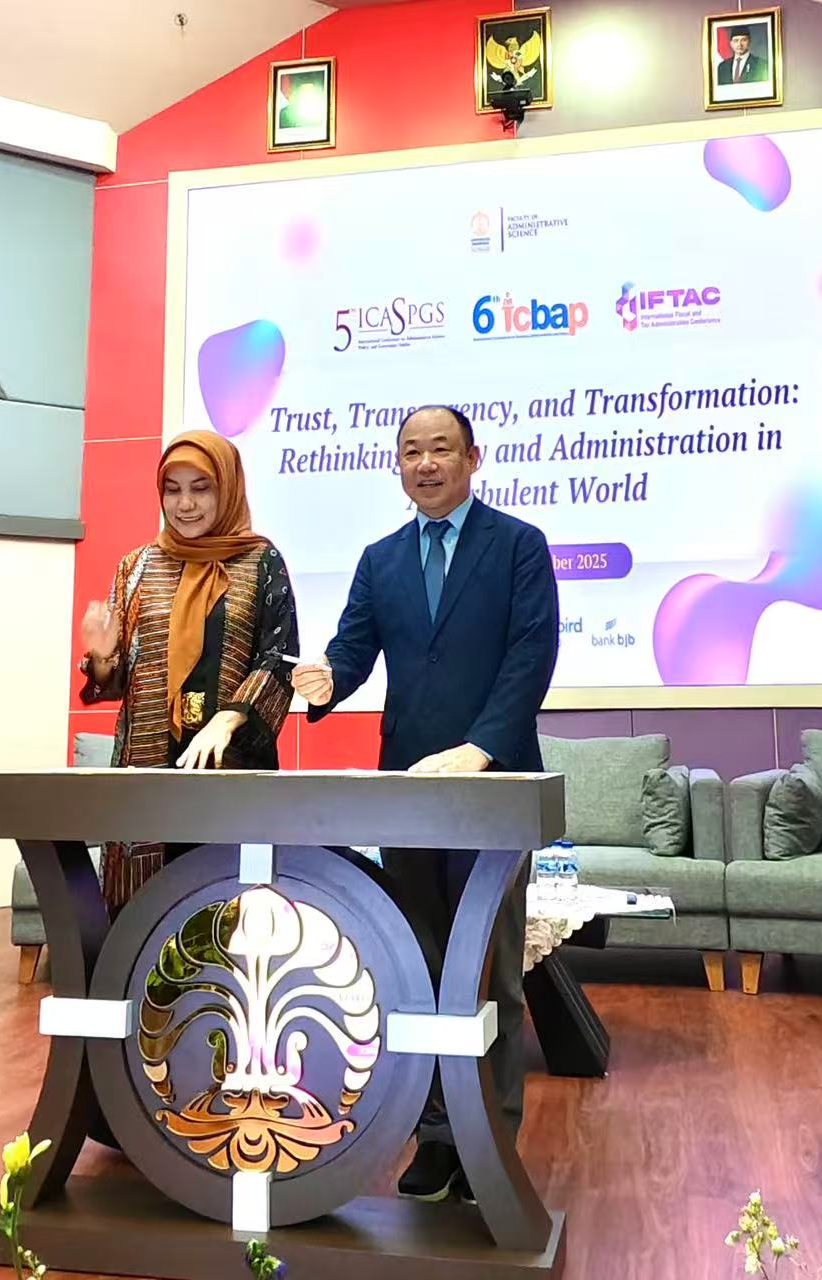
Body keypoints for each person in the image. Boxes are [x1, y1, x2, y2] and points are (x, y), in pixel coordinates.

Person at [292, 405, 558, 1204]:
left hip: (495, 793)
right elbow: (352, 650)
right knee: (420, 970)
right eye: (412, 451)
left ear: (473, 458)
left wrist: (482, 749)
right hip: (408, 794)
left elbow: (531, 655)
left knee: (489, 974)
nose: (426, 463)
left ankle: (489, 1144)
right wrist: (326, 683)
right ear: (397, 466)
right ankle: (436, 1139)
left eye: (441, 448)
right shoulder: (380, 560)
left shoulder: (518, 546)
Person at [79, 430, 298, 910]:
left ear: (228, 488)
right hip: (149, 763)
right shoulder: (137, 567)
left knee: (231, 907)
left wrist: (230, 718)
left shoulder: (260, 561)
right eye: (172, 490)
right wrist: (102, 656)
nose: (185, 504)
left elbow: (278, 657)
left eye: (201, 488)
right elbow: (112, 683)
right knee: (143, 914)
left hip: (230, 760)